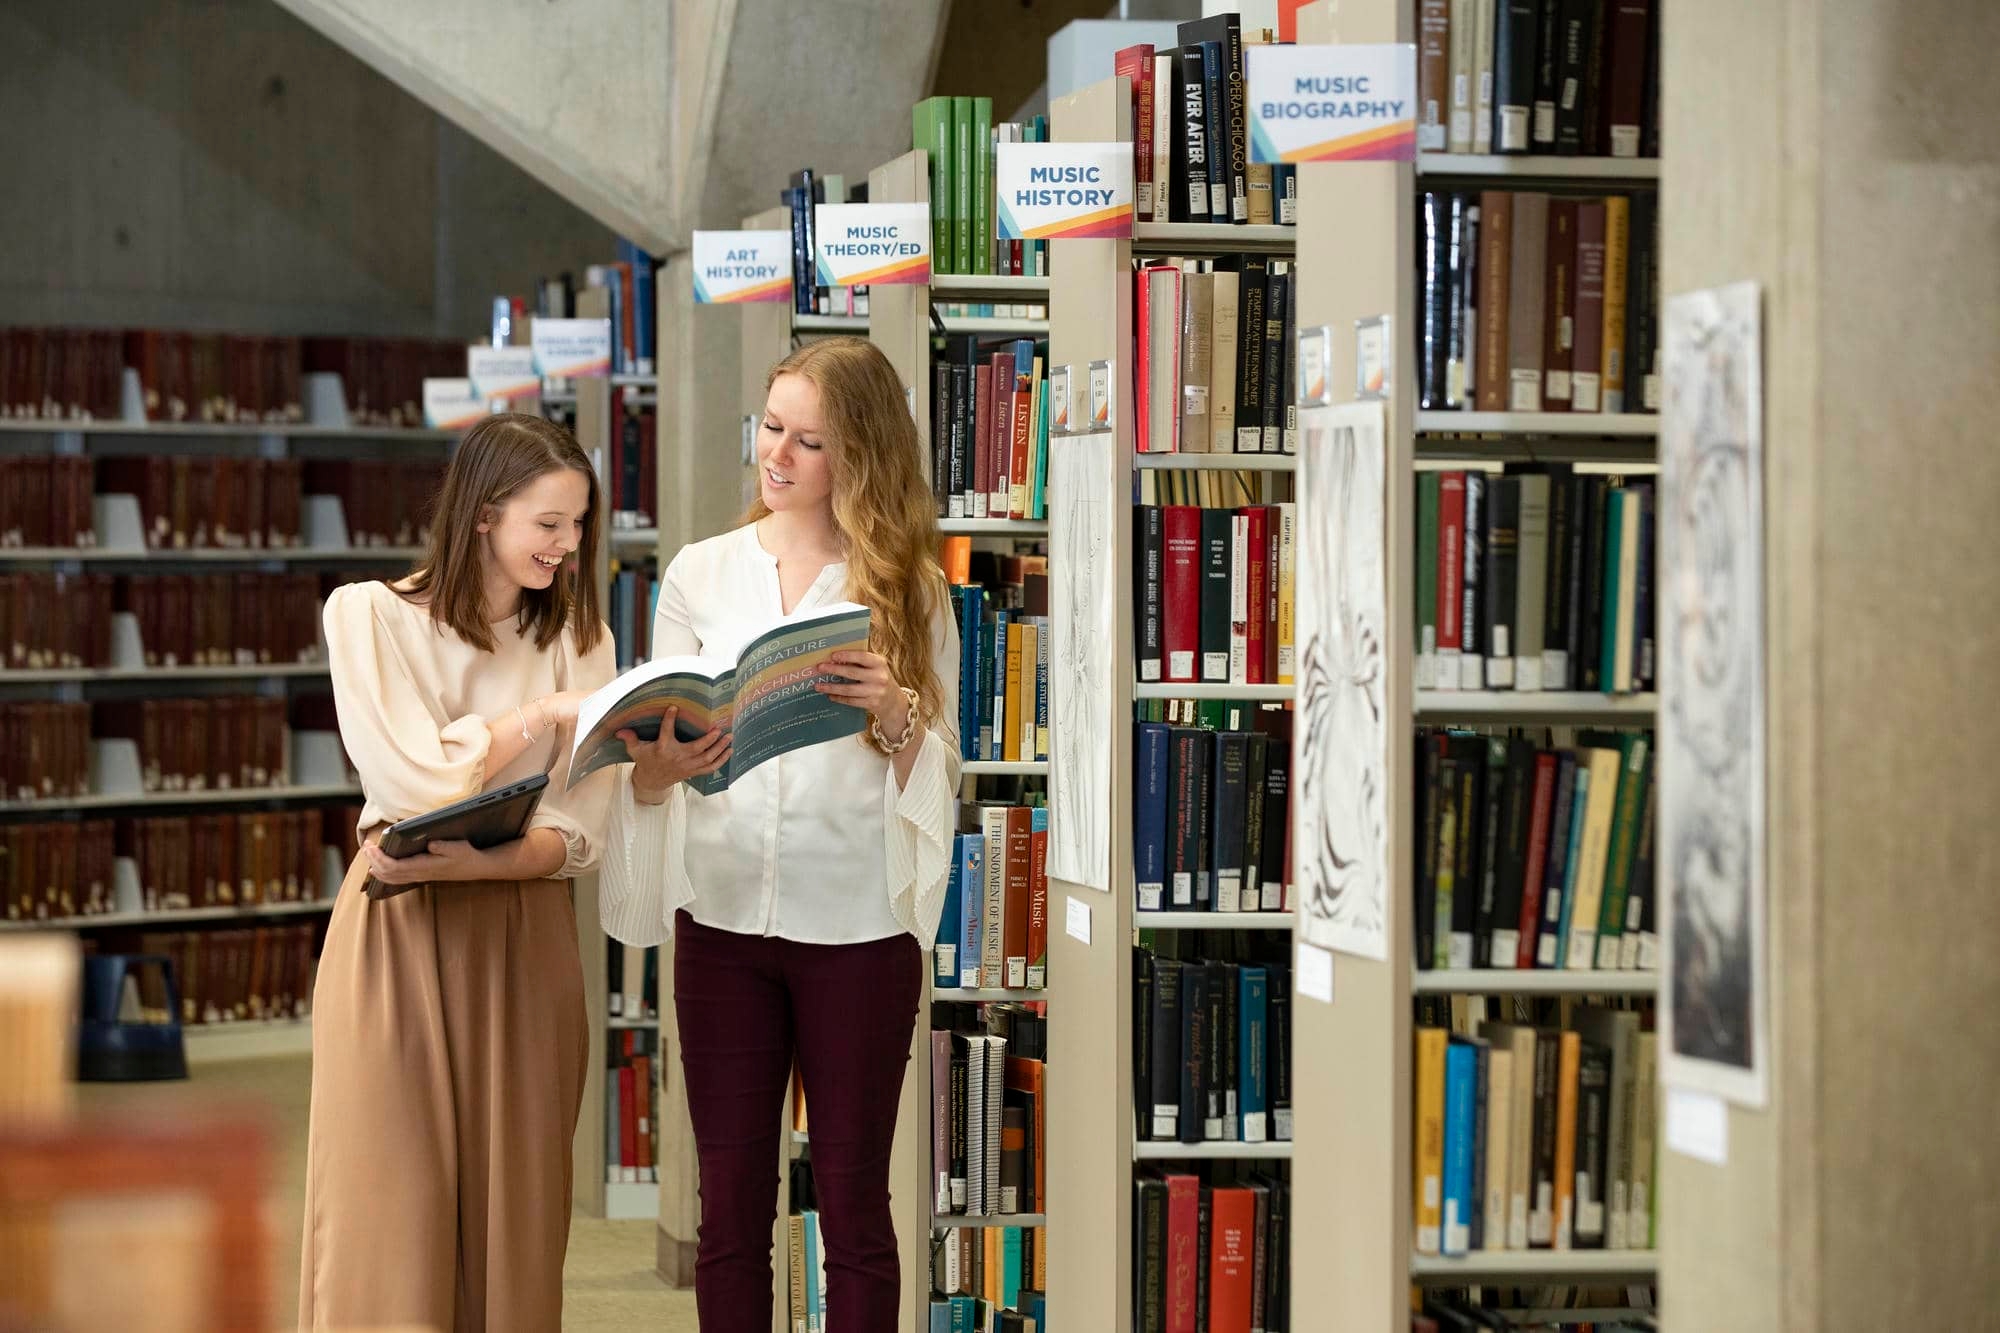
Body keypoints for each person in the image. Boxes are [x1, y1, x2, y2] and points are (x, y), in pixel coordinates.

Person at [598, 337, 961, 1331]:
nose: (780, 457)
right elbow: (657, 739)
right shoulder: (701, 573)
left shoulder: (908, 587)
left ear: (860, 454)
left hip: (856, 931)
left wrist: (895, 713)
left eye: (809, 440)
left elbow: (937, 778)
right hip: (719, 924)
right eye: (772, 429)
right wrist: (659, 761)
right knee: (729, 1212)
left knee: (853, 1207)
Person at [298, 413, 618, 1333]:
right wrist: (538, 718)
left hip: (525, 934)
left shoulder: (579, 637)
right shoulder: (368, 615)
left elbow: (583, 827)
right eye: (548, 523)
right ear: (483, 514)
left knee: (517, 1217)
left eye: (579, 525)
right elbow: (411, 780)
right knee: (384, 1216)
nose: (566, 546)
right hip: (397, 929)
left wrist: (487, 860)